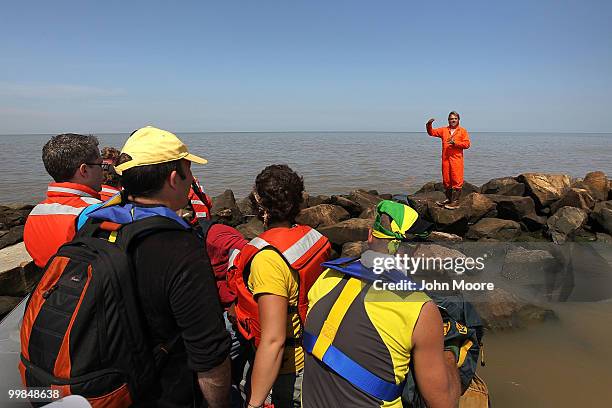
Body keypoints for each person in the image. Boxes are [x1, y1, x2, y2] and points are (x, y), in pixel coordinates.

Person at [87, 126, 231, 406]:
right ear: (174, 178)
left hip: (105, 383)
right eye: (188, 171)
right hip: (161, 392)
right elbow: (209, 356)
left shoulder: (95, 225)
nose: (191, 180)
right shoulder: (180, 249)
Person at [302, 200, 461, 408]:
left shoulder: (326, 277)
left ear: (370, 236)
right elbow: (444, 403)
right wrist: (450, 352)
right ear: (415, 251)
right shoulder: (419, 309)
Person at [228, 164, 331, 408]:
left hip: (288, 371)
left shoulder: (268, 259)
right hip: (315, 354)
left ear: (260, 208)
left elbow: (273, 340)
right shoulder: (312, 238)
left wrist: (255, 404)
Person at [23, 133, 103, 268]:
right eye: (101, 165)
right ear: (84, 170)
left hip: (46, 284)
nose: (103, 171)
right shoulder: (97, 211)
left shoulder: (35, 212)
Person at [426, 112, 471, 210]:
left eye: (455, 118)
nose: (453, 120)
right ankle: (449, 199)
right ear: (448, 120)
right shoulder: (444, 130)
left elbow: (467, 144)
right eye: (451, 119)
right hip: (445, 159)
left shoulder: (462, 131)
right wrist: (429, 125)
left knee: (457, 179)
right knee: (446, 180)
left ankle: (455, 202)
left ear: (458, 120)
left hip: (456, 159)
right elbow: (431, 133)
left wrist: (455, 143)